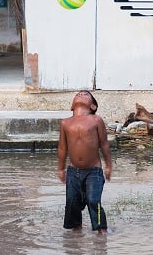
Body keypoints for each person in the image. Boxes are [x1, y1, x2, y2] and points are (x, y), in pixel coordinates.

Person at [57, 90, 112, 233]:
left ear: (93, 106)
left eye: (86, 95)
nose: (81, 95)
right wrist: (60, 168)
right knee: (72, 203)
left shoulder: (96, 120)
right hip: (73, 171)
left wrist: (108, 166)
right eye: (78, 94)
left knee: (94, 201)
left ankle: (102, 230)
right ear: (71, 106)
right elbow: (62, 148)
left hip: (94, 171)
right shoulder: (65, 123)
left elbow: (104, 144)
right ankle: (76, 233)